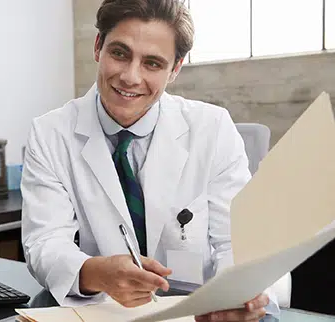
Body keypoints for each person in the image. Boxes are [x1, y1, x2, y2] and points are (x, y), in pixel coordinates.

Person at [21, 0, 282, 321]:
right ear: (98, 47)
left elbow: (237, 240)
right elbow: (45, 241)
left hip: (195, 309)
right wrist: (92, 272)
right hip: (104, 310)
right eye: (119, 53)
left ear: (175, 69)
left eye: (153, 63)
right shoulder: (50, 133)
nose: (130, 77)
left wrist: (232, 295)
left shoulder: (212, 128)